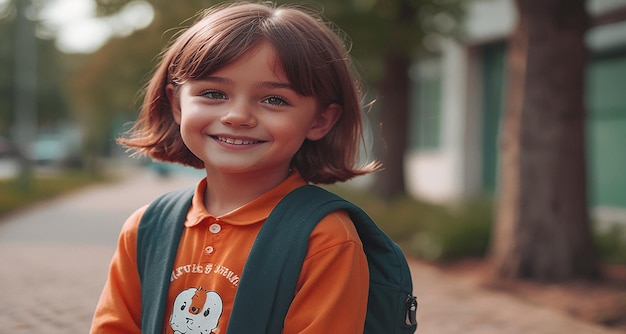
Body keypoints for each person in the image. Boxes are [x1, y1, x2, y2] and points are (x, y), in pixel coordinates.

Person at [90, 2, 381, 333]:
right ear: (176, 104)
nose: (238, 116)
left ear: (320, 120)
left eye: (274, 100)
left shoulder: (325, 239)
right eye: (213, 93)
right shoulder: (146, 228)